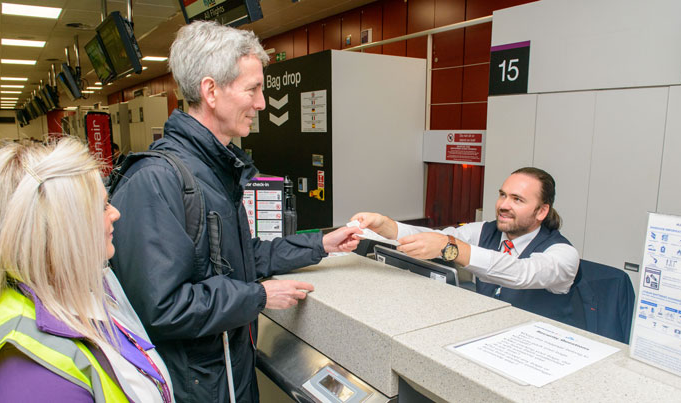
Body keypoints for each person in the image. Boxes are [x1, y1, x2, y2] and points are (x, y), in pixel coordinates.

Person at [108, 21, 360, 403]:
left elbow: (242, 257)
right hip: (195, 388)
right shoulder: (158, 179)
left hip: (226, 377)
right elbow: (161, 307)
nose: (261, 103)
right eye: (252, 89)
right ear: (210, 91)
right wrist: (256, 296)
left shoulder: (211, 169)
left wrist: (321, 243)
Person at [0, 139, 174, 402]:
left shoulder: (84, 289)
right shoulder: (28, 373)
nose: (116, 213)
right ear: (60, 226)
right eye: (101, 207)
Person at [353, 167, 582, 325]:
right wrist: (387, 226)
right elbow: (439, 237)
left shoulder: (563, 254)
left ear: (542, 211)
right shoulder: (484, 230)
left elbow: (521, 273)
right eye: (502, 195)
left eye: (517, 199)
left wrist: (451, 248)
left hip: (540, 351)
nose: (503, 205)